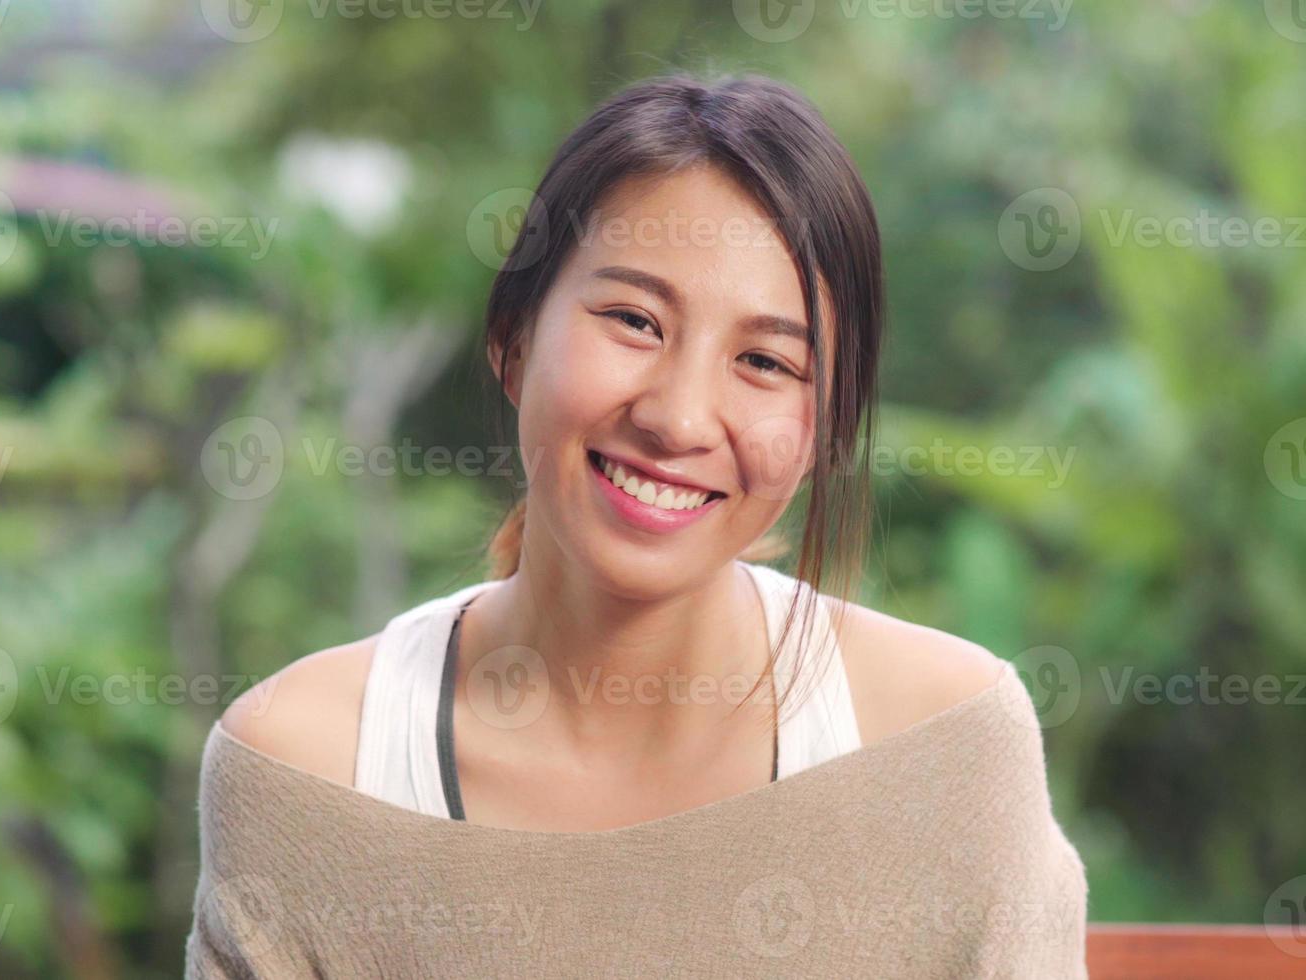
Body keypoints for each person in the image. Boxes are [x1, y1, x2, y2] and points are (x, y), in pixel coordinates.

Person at [188, 72, 1087, 978]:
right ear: (512, 337)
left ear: (824, 430)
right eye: (633, 319)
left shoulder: (940, 750)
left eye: (766, 361)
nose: (680, 418)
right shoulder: (305, 774)